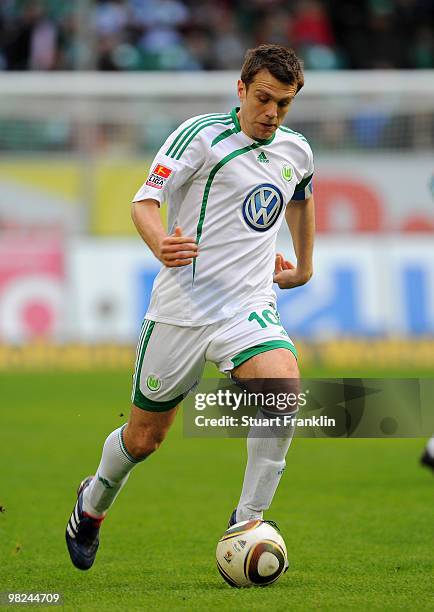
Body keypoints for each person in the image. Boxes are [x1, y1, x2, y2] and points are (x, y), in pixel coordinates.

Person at [66, 43, 315, 570]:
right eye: (264, 99)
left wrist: (305, 264)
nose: (272, 113)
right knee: (144, 438)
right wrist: (160, 243)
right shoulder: (199, 136)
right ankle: (92, 505)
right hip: (182, 308)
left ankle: (248, 519)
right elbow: (144, 201)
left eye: (284, 104)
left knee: (283, 390)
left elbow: (303, 196)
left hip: (246, 305)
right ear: (242, 89)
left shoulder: (296, 150)